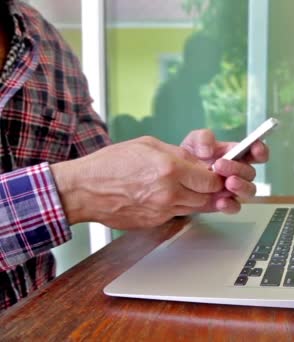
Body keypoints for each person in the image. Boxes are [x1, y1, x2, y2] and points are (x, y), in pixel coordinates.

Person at [0, 0, 268, 311]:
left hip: (39, 320)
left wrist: (179, 173)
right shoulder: (175, 88)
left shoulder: (44, 40)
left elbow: (109, 172)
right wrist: (71, 193)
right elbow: (94, 182)